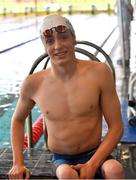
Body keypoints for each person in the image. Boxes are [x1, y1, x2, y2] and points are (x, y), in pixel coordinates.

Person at [8, 14, 124, 179]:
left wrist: (92, 164)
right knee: (66, 173)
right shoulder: (33, 84)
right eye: (50, 41)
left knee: (114, 169)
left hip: (96, 153)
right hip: (61, 159)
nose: (57, 46)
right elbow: (18, 120)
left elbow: (117, 127)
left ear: (74, 39)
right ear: (44, 46)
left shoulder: (100, 73)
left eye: (63, 37)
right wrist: (17, 163)